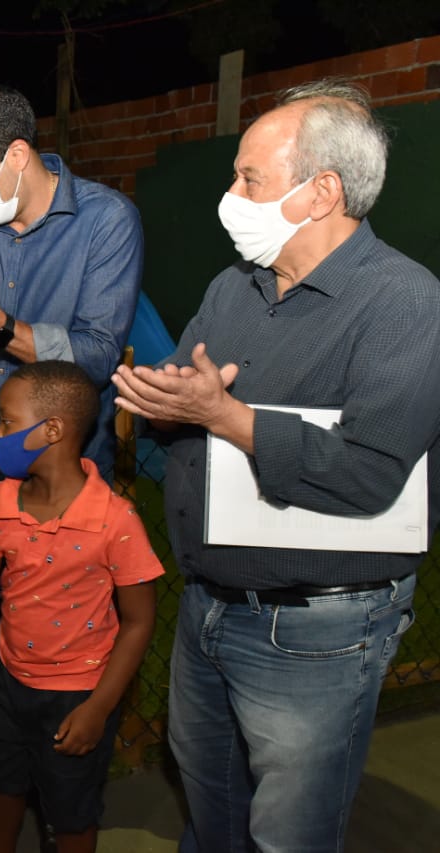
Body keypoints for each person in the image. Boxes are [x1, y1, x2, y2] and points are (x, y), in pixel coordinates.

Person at [112, 79, 440, 852]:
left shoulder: (407, 305)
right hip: (209, 606)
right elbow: (194, 401)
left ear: (321, 190)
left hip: (317, 629)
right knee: (210, 800)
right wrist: (167, 403)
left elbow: (368, 473)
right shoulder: (234, 288)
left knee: (289, 833)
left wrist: (226, 417)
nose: (231, 194)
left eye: (248, 177)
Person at [0, 82, 145, 839]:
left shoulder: (107, 221)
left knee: (71, 636)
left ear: (17, 156)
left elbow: (98, 354)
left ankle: (65, 781)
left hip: (65, 478)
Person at [0, 360, 161, 853]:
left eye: (6, 421)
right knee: (1, 784)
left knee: (71, 812)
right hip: (6, 681)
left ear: (53, 430)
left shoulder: (114, 520)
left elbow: (139, 621)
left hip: (79, 695)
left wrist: (100, 708)